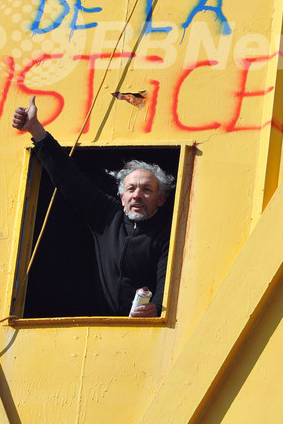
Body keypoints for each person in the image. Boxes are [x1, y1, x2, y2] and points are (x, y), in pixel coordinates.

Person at [12, 96, 174, 318]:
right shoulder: (108, 217)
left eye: (146, 190)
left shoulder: (167, 235)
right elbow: (70, 180)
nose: (137, 195)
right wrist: (36, 130)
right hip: (97, 323)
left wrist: (157, 307)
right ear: (122, 197)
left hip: (142, 329)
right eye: (131, 189)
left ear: (161, 199)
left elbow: (169, 280)